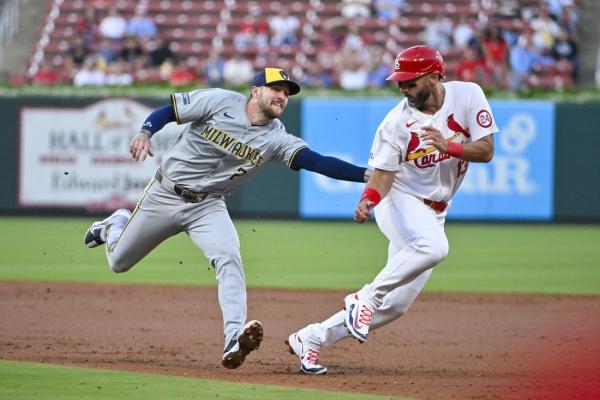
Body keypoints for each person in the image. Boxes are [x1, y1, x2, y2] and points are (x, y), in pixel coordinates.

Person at [83, 67, 371, 370]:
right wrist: (145, 132)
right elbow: (170, 111)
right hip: (166, 194)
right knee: (119, 262)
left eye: (287, 93)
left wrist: (368, 174)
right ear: (255, 90)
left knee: (229, 256)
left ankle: (234, 338)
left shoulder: (276, 139)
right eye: (276, 89)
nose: (282, 96)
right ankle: (115, 225)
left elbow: (317, 162)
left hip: (208, 206)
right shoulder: (220, 101)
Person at [286, 45, 497, 375]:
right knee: (434, 247)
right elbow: (384, 174)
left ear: (433, 76)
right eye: (400, 82)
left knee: (396, 305)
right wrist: (369, 198)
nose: (403, 88)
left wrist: (450, 145)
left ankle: (311, 337)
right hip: (400, 199)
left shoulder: (468, 95)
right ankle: (365, 298)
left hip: (435, 211)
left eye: (410, 82)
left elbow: (486, 151)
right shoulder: (396, 122)